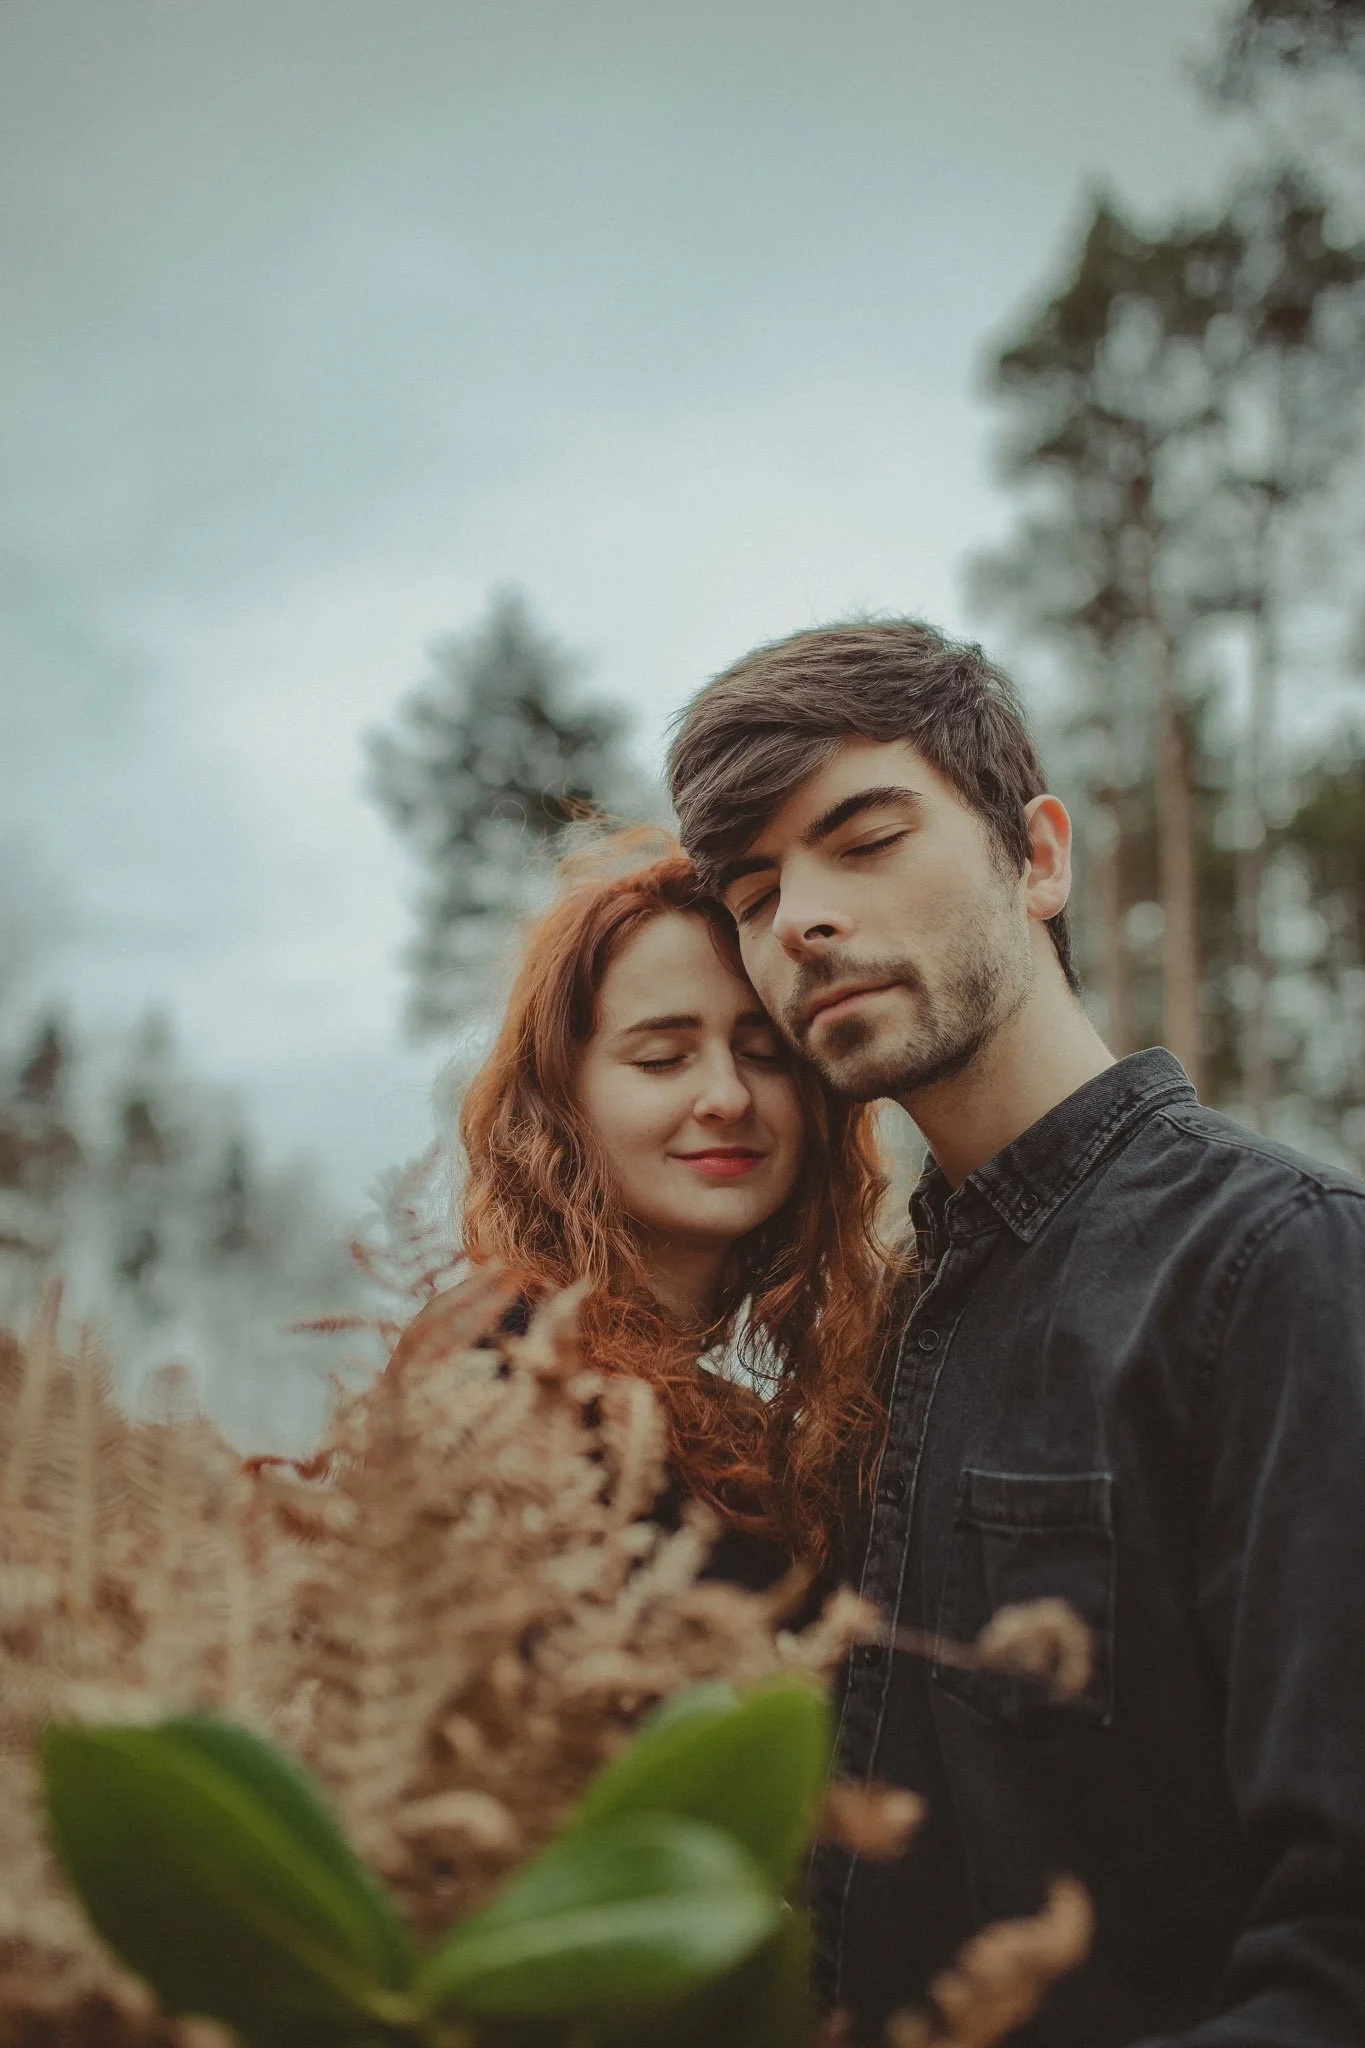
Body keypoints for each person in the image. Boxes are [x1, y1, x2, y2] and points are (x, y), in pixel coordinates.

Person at [667, 619, 1365, 2048]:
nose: (796, 918)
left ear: (1036, 858)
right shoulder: (882, 1331)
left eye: (862, 839)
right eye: (753, 891)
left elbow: (1340, 1942)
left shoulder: (1274, 1262)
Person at [453, 833, 890, 1583]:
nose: (726, 1097)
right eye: (661, 1059)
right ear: (558, 1103)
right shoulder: (504, 1373)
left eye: (764, 1054)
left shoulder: (736, 1423)